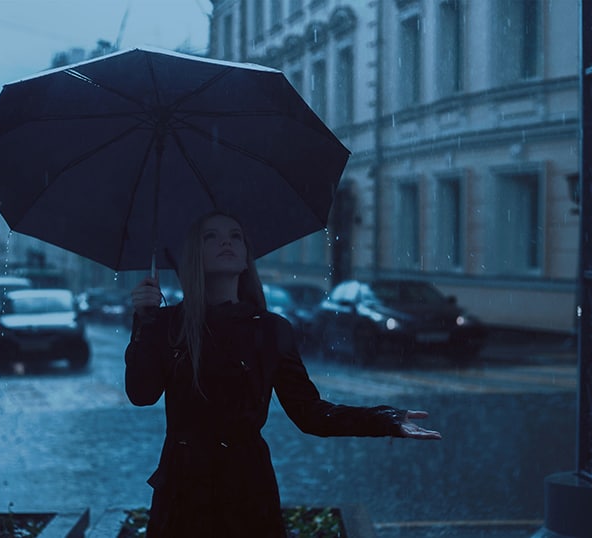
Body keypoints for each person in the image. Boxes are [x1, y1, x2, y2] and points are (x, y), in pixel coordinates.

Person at [125, 211, 441, 537]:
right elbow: (141, 394)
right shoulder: (167, 325)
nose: (226, 242)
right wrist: (145, 322)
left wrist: (386, 420)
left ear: (247, 257)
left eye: (235, 236)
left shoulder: (270, 330)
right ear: (194, 255)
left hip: (246, 489)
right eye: (211, 237)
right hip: (183, 490)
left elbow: (311, 414)